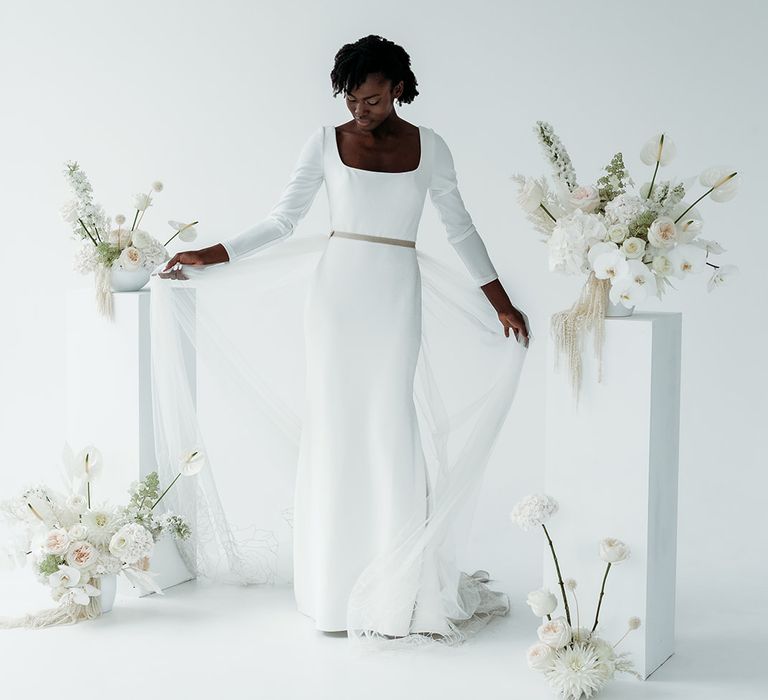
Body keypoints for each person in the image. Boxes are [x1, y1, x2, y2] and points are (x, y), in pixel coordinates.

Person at [154, 34, 529, 645]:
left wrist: (500, 302)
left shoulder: (430, 148)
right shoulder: (324, 142)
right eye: (354, 99)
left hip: (394, 293)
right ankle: (333, 589)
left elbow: (459, 228)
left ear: (401, 89)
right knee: (334, 425)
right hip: (336, 297)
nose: (362, 111)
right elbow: (283, 219)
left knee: (389, 423)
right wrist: (211, 254)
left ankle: (397, 585)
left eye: (375, 99)